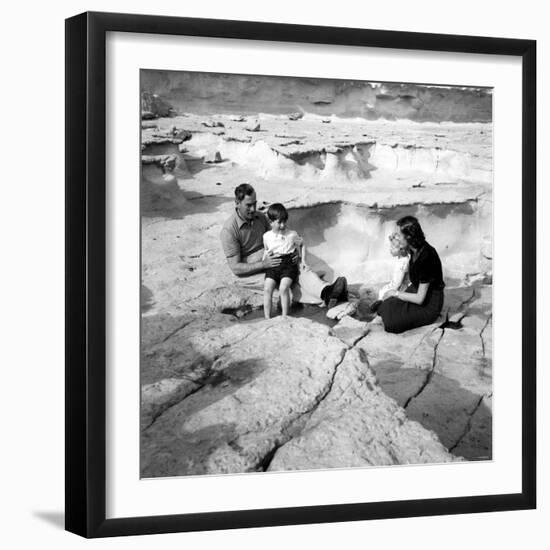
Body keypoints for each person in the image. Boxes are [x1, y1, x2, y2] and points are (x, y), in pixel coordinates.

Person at [220, 183, 347, 307]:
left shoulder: (259, 217)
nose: (253, 209)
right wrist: (263, 264)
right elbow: (235, 267)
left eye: (254, 204)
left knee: (295, 269)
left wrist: (292, 253)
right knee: (285, 286)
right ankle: (324, 297)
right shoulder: (229, 230)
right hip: (251, 271)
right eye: (248, 205)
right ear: (237, 203)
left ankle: (327, 292)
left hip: (271, 259)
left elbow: (277, 237)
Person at [376, 216, 445, 333]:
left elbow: (419, 299)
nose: (396, 238)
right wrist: (393, 239)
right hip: (416, 290)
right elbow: (398, 251)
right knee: (385, 306)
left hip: (429, 304)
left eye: (399, 235)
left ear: (408, 237)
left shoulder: (426, 257)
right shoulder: (414, 248)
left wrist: (395, 293)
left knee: (391, 324)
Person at [262, 203, 305, 318]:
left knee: (283, 288)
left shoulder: (292, 234)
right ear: (271, 222)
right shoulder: (266, 236)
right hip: (273, 265)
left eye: (284, 222)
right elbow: (266, 250)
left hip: (288, 265)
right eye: (279, 222)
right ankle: (267, 317)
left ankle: (285, 316)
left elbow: (301, 244)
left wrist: (300, 257)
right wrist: (264, 261)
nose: (282, 225)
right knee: (267, 289)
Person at [369, 231, 410, 313]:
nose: (390, 250)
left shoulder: (403, 262)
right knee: (383, 290)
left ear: (401, 249)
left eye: (393, 248)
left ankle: (381, 304)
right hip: (399, 285)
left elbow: (398, 283)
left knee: (384, 292)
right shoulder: (403, 258)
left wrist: (390, 291)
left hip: (402, 288)